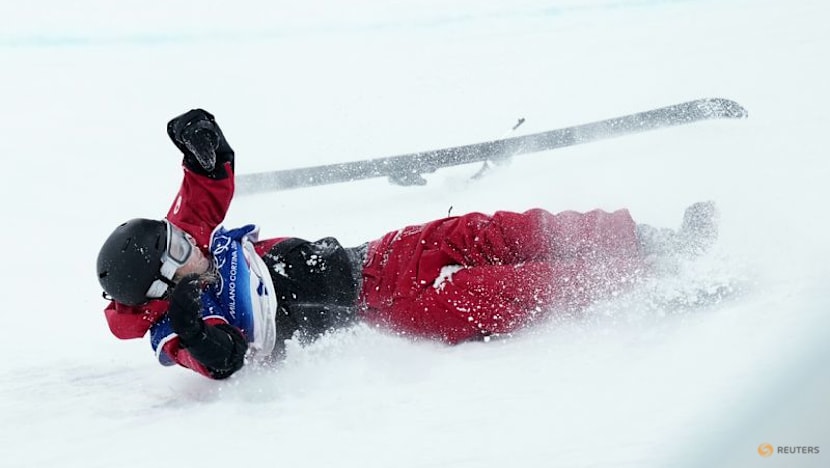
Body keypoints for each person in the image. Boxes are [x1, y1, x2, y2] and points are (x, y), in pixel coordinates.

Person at [97, 109, 718, 380]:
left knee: (501, 230)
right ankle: (646, 278)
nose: (190, 242)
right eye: (179, 252)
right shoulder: (176, 330)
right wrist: (196, 331)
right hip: (395, 308)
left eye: (181, 237)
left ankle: (651, 240)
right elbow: (220, 362)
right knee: (515, 288)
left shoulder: (189, 247)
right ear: (162, 287)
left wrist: (205, 148)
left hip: (379, 255)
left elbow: (204, 192)